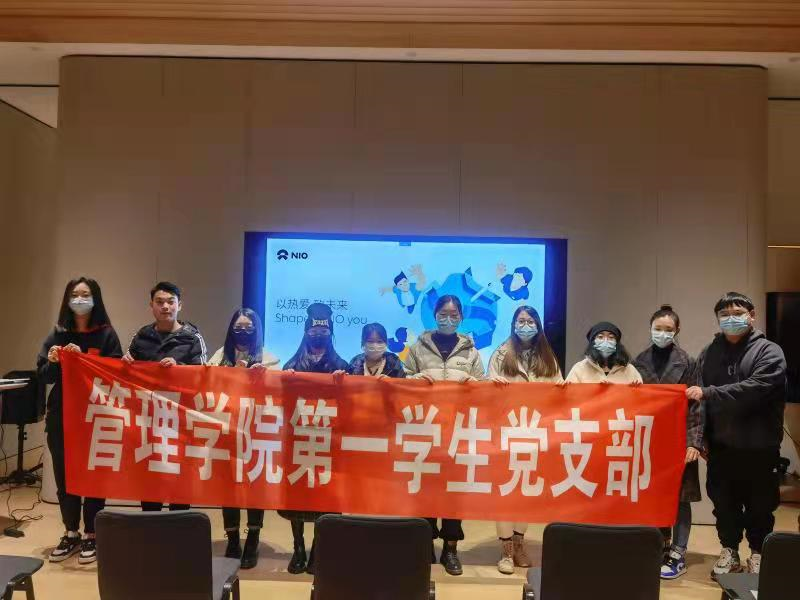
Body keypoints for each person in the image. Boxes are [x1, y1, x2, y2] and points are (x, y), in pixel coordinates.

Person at [687, 292, 786, 579]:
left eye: (738, 313)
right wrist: (700, 439)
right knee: (723, 504)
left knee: (760, 505)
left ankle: (758, 553)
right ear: (717, 319)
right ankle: (729, 552)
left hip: (760, 446)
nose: (731, 318)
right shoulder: (708, 353)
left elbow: (756, 388)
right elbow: (698, 402)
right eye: (725, 314)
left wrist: (709, 392)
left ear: (752, 315)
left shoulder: (769, 351)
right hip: (721, 447)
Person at [37, 277, 122, 564]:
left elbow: (115, 373)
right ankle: (70, 532)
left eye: (86, 294)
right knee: (65, 476)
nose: (80, 299)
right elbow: (44, 375)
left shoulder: (106, 334)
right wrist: (54, 361)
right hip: (62, 415)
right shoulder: (58, 333)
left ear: (95, 299)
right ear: (67, 299)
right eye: (75, 294)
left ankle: (92, 534)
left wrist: (83, 359)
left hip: (96, 416)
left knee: (94, 476)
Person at [404, 294, 485, 576]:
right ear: (434, 315)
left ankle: (450, 549)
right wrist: (415, 379)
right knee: (425, 488)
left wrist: (473, 383)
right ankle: (424, 544)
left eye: (453, 315)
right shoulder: (418, 347)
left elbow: (484, 388)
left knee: (453, 492)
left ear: (461, 317)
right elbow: (403, 379)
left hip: (457, 430)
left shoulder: (471, 351)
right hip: (426, 428)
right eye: (443, 314)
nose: (448, 319)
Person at [488, 305, 562, 574]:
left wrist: (562, 389)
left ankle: (519, 543)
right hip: (506, 432)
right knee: (506, 491)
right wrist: (493, 385)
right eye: (521, 321)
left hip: (536, 433)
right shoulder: (501, 353)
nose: (525, 325)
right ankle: (506, 549)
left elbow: (560, 389)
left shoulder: (548, 356)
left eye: (531, 321)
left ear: (538, 325)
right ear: (513, 324)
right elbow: (486, 389)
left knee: (528, 491)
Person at [122, 281, 207, 512]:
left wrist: (179, 369)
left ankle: (177, 527)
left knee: (180, 478)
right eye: (159, 302)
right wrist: (126, 364)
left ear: (180, 305)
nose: (165, 307)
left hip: (180, 421)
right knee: (150, 477)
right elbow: (127, 374)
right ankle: (150, 525)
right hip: (148, 420)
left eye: (171, 302)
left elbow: (203, 376)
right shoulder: (141, 336)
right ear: (151, 305)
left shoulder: (192, 337)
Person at [633, 305, 702, 580]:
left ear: (677, 331)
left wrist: (694, 443)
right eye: (658, 328)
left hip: (679, 440)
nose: (662, 333)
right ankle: (659, 544)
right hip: (649, 440)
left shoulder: (688, 362)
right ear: (650, 329)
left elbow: (697, 406)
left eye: (668, 329)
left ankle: (678, 552)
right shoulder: (638, 361)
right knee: (653, 495)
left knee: (680, 498)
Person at [280, 303, 349, 575]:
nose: (318, 334)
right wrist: (286, 381)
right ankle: (298, 547)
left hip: (328, 441)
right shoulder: (292, 365)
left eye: (323, 331)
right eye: (313, 330)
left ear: (330, 332)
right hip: (299, 439)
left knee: (325, 497)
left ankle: (319, 549)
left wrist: (343, 383)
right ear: (306, 331)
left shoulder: (341, 366)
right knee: (297, 495)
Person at [207, 308, 279, 569]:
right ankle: (233, 538)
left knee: (254, 486)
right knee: (228, 487)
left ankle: (253, 538)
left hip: (255, 433)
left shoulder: (269, 359)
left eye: (249, 327)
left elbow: (279, 392)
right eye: (239, 327)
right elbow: (204, 385)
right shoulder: (219, 357)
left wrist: (262, 378)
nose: (243, 332)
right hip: (226, 432)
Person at [565, 321, 643, 384]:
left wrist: (633, 390)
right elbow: (570, 395)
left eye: (611, 337)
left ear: (617, 343)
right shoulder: (579, 368)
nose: (606, 341)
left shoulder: (629, 370)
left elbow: (640, 396)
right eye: (600, 337)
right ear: (593, 342)